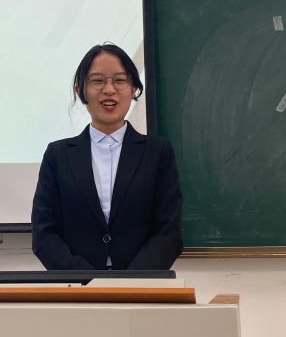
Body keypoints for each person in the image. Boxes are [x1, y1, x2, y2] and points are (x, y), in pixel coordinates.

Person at [31, 44, 183, 271]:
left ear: (133, 88)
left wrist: (131, 282)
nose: (109, 89)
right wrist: (88, 280)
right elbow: (44, 233)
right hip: (77, 286)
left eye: (120, 80)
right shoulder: (58, 155)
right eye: (97, 81)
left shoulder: (157, 152)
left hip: (142, 286)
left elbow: (169, 232)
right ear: (80, 90)